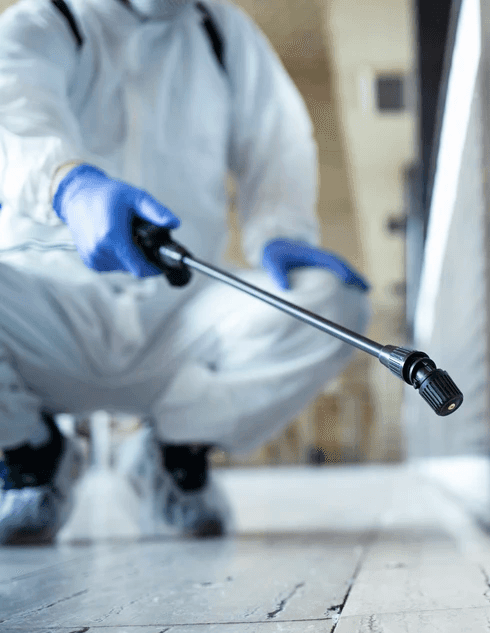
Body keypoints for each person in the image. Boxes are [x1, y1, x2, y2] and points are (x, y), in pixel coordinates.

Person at [0, 0, 370, 544]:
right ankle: (29, 453)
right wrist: (69, 184)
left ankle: (174, 454)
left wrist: (281, 230)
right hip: (47, 311)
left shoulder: (223, 34)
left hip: (182, 312)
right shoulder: (46, 19)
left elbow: (277, 137)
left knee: (331, 302)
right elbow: (15, 108)